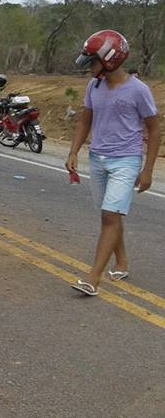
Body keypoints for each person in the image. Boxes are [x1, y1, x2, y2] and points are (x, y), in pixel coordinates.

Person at [66, 30, 160, 296]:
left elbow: (154, 130)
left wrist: (148, 170)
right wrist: (73, 152)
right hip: (98, 158)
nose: (89, 69)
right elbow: (85, 119)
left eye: (92, 62)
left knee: (110, 215)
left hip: (126, 160)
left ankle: (92, 278)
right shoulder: (94, 86)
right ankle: (122, 261)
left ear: (109, 59)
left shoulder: (138, 90)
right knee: (109, 214)